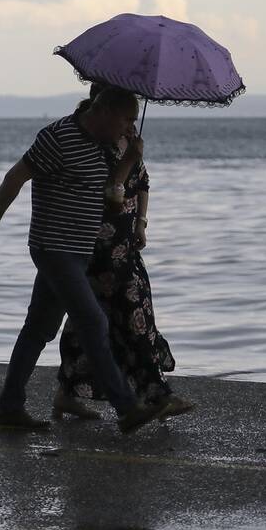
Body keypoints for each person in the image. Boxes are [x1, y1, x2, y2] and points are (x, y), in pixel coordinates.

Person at [0, 86, 167, 435]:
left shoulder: (105, 148)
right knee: (94, 322)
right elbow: (14, 178)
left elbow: (113, 203)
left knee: (38, 329)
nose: (130, 128)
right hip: (53, 248)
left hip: (79, 252)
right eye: (126, 119)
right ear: (103, 112)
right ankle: (128, 408)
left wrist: (130, 161)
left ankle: (9, 407)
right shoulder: (58, 138)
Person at [53, 105, 194, 420]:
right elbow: (108, 196)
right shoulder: (94, 147)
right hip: (101, 246)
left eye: (133, 118)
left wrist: (142, 222)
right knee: (131, 318)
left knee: (98, 320)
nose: (131, 124)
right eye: (126, 117)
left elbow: (142, 183)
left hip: (127, 245)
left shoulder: (130, 142)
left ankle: (65, 391)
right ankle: (157, 395)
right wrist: (128, 160)